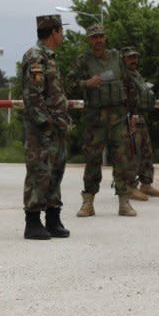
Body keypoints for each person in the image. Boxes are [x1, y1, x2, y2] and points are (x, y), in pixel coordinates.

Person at [68, 24, 137, 218]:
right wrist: (86, 83)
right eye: (93, 37)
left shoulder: (117, 58)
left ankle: (124, 202)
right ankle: (88, 202)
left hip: (118, 117)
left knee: (122, 159)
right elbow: (69, 83)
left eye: (100, 36)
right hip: (95, 119)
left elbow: (129, 84)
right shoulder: (83, 61)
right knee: (92, 160)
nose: (97, 40)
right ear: (88, 40)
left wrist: (133, 115)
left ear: (105, 38)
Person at [21, 14, 71, 240]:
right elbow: (33, 94)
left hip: (56, 126)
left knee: (55, 171)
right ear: (54, 31)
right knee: (39, 172)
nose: (63, 35)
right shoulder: (36, 56)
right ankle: (32, 222)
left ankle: (53, 218)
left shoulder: (50, 57)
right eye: (62, 30)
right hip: (43, 128)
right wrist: (46, 122)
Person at [122, 46, 159, 200]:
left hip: (141, 117)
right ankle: (129, 187)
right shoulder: (123, 75)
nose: (134, 60)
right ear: (123, 59)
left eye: (135, 57)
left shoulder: (137, 74)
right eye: (130, 57)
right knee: (133, 153)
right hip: (130, 118)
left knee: (147, 152)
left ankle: (146, 184)